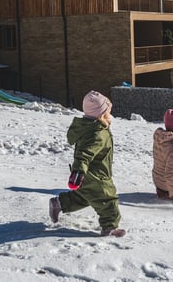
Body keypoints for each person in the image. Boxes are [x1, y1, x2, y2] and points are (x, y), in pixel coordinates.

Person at [49, 90, 125, 237]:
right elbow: (84, 154)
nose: (110, 114)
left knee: (85, 196)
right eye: (108, 111)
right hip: (95, 175)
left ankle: (59, 203)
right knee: (108, 200)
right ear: (101, 114)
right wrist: (78, 172)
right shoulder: (97, 133)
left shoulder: (90, 127)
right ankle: (109, 228)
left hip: (89, 174)